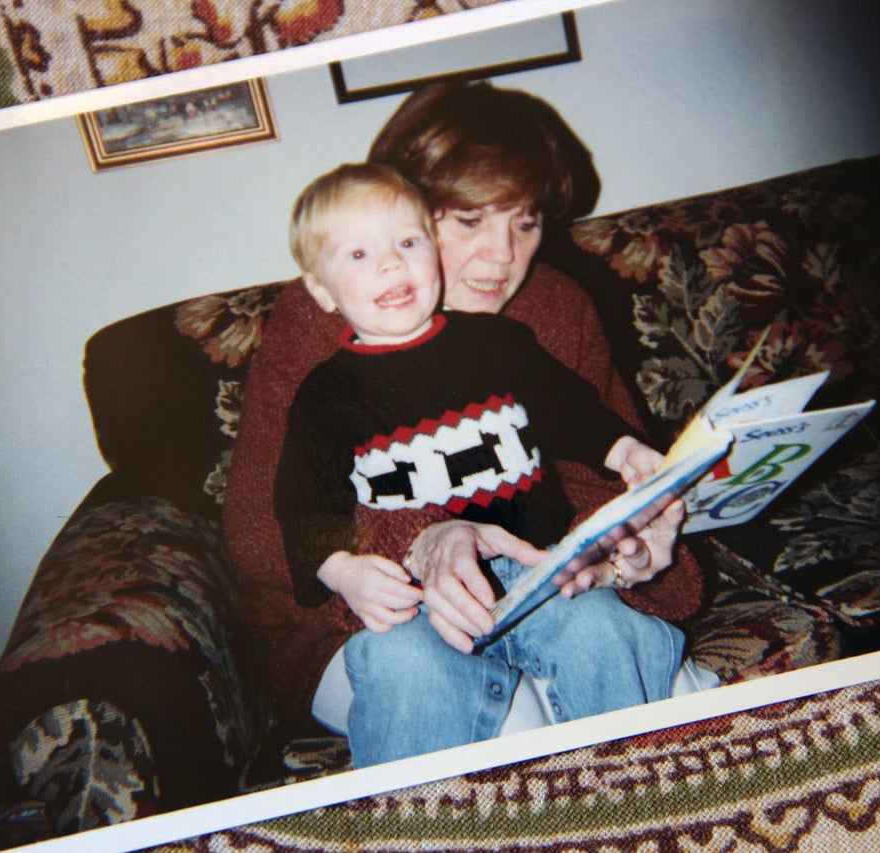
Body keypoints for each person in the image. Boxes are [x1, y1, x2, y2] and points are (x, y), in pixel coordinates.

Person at [223, 81, 708, 741]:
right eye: (470, 219)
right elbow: (260, 530)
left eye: (526, 221)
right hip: (363, 624)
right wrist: (430, 537)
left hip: (536, 596)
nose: (503, 255)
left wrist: (624, 552)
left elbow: (601, 463)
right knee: (514, 728)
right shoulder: (322, 319)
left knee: (631, 668)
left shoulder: (555, 309)